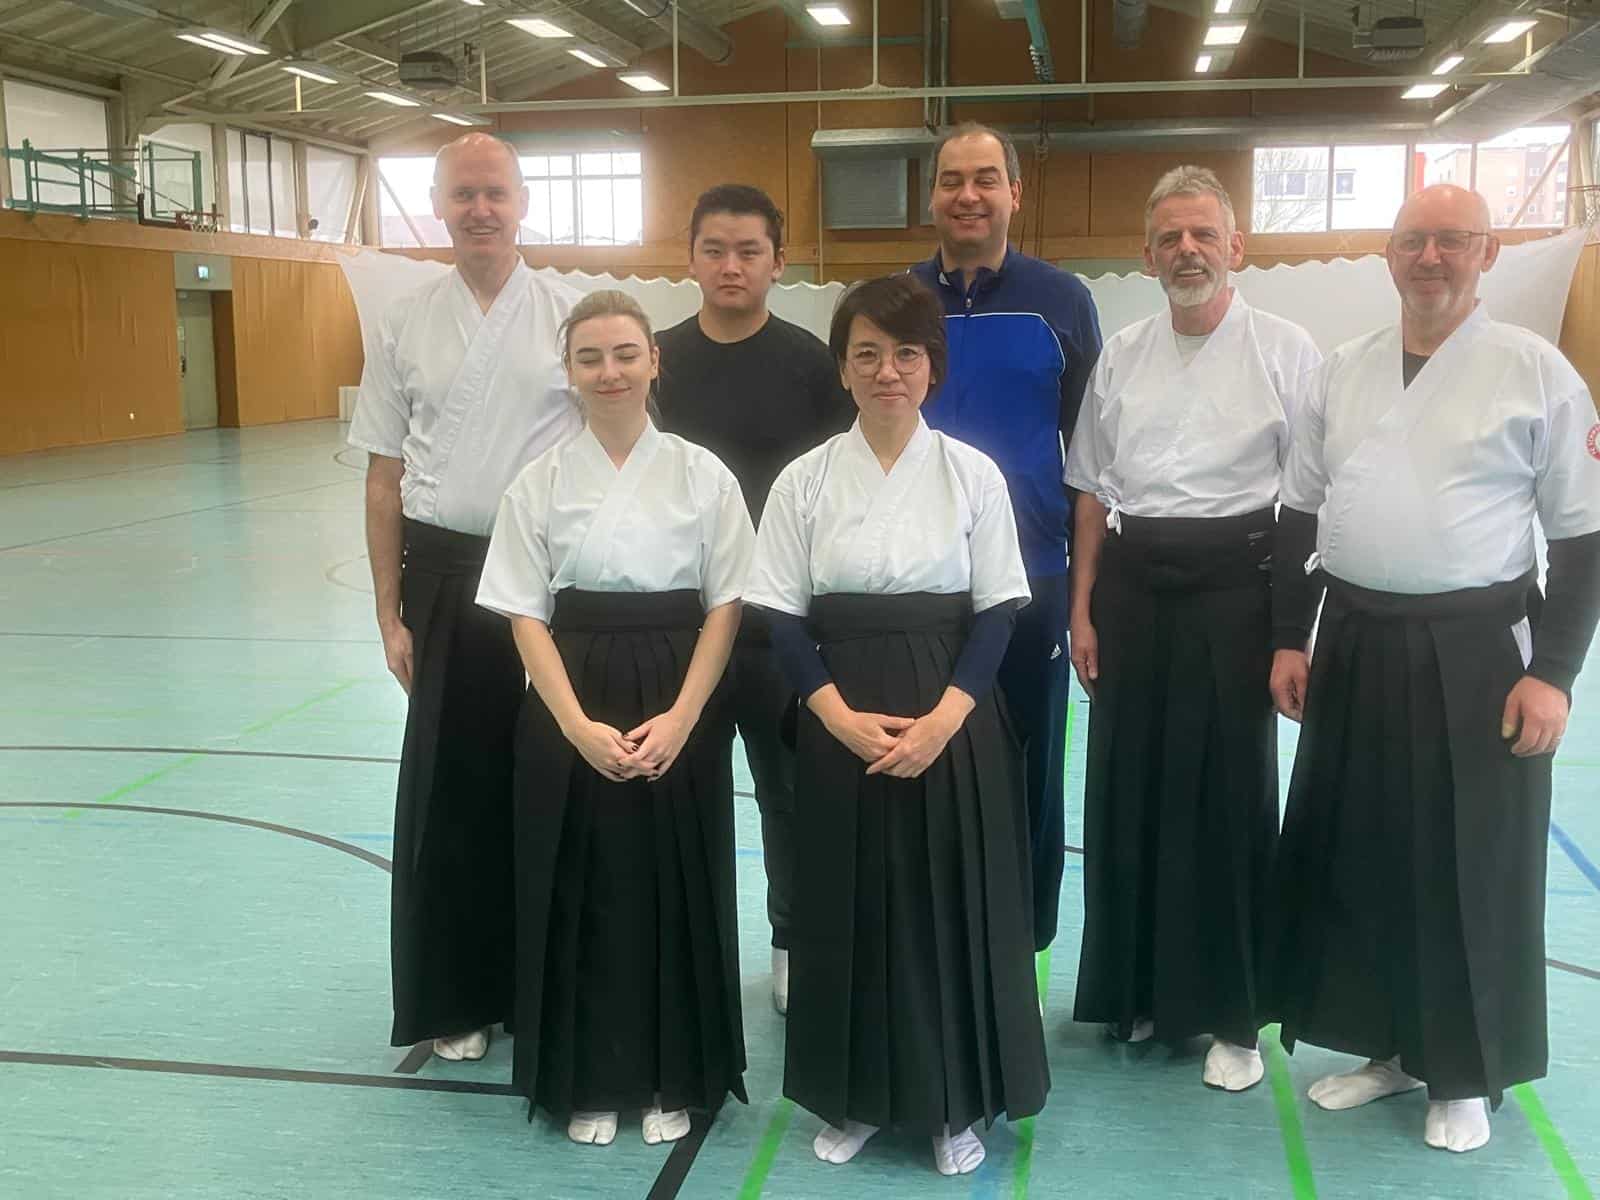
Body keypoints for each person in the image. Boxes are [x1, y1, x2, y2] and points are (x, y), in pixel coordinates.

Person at [1267, 184, 1600, 1154]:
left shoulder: (1536, 373)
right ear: (1388, 253)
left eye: (1452, 240)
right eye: (1413, 240)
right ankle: (1386, 1049)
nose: (1431, 258)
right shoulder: (1343, 371)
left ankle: (1461, 1070)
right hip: (1356, 638)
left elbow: (1583, 536)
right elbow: (1299, 513)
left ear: (1486, 253)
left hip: (1479, 650)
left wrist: (1555, 671)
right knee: (1362, 852)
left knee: (1471, 864)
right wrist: (1291, 635)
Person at [747, 274, 1049, 1177]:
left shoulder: (972, 474)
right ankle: (856, 1099)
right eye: (868, 354)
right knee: (847, 908)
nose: (888, 371)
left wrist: (945, 720)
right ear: (842, 369)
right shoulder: (804, 481)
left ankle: (954, 1105)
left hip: (951, 715)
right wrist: (834, 716)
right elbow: (782, 616)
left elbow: (997, 612)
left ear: (932, 368)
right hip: (840, 715)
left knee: (947, 907)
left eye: (906, 353)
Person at [476, 290, 754, 1147]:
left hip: (679, 691)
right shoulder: (540, 481)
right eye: (590, 357)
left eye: (626, 353)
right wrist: (573, 725)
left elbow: (728, 604)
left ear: (654, 361)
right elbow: (524, 612)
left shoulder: (703, 474)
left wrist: (684, 717)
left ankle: (676, 1075)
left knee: (678, 885)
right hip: (574, 691)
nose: (610, 372)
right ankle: (587, 1078)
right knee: (582, 887)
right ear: (568, 371)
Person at [1064, 166, 1322, 1090]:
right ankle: (1135, 991)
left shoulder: (1287, 351)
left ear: (1235, 246)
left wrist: (1291, 634)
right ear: (1146, 255)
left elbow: (1307, 504)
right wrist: (1082, 607)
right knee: (1125, 785)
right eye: (1169, 237)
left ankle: (1233, 1014)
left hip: (1237, 588)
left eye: (1203, 234)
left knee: (1228, 797)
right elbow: (1090, 493)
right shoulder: (1123, 355)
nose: (1186, 251)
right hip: (1133, 587)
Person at [349, 131, 580, 1063]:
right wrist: (388, 611)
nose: (480, 209)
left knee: (557, 776)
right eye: (462, 194)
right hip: (444, 572)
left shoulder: (567, 312)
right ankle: (458, 992)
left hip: (553, 574)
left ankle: (551, 982)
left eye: (495, 192)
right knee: (454, 787)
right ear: (438, 206)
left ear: (522, 202)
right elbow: (383, 476)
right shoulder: (404, 320)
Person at [656, 184, 854, 1015]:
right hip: (682, 626)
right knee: (678, 795)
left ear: (779, 261)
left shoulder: (813, 365)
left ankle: (791, 941)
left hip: (779, 628)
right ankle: (688, 952)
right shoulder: (656, 361)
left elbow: (837, 491)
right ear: (690, 258)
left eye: (748, 251)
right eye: (714, 250)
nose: (731, 266)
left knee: (790, 796)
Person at [910, 121, 1103, 955]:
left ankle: (1022, 938)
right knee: (926, 757)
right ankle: (933, 936)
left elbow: (1090, 462)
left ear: (1015, 193)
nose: (968, 195)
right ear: (932, 196)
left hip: (1031, 580)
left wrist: (1084, 597)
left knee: (1030, 765)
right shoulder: (899, 301)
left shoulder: (1062, 301)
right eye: (952, 180)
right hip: (920, 585)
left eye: (985, 178)